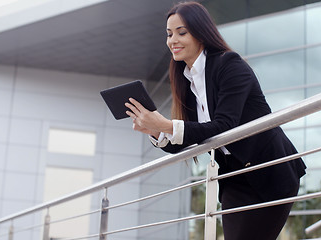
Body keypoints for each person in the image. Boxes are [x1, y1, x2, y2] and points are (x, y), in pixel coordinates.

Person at [125, 2, 306, 239]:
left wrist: (165, 125)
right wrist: (155, 131)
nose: (173, 41)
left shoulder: (229, 65)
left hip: (270, 172)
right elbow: (189, 138)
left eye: (182, 32)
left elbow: (225, 125)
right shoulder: (185, 78)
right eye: (169, 34)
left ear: (201, 32)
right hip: (234, 178)